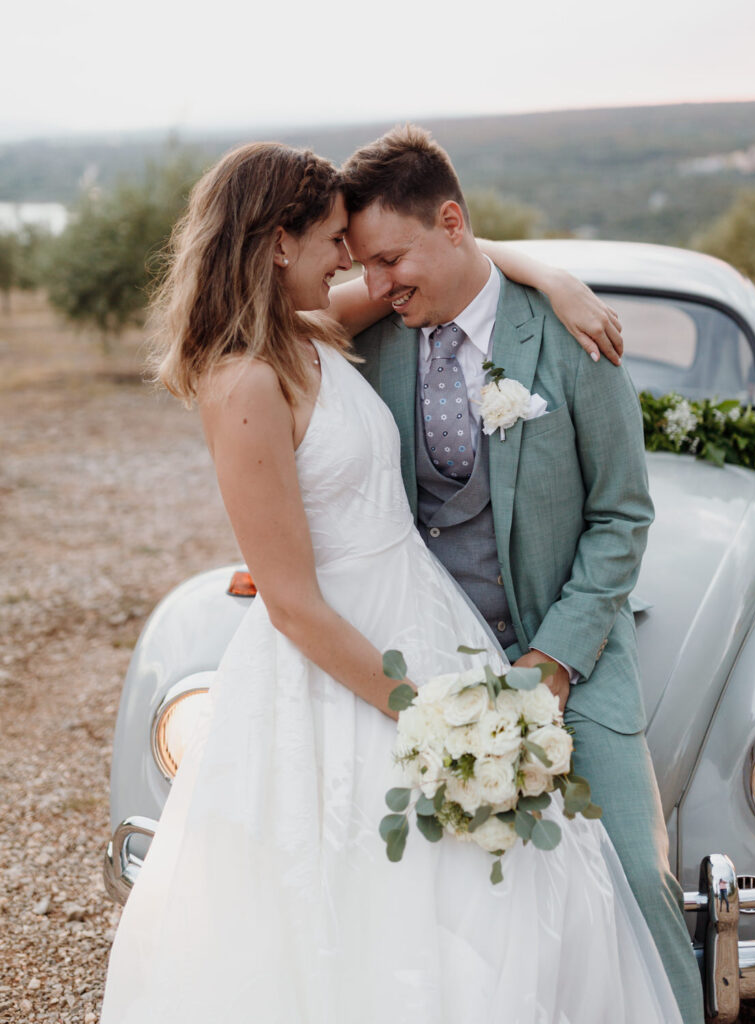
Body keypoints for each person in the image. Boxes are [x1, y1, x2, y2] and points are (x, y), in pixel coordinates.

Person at [100, 140, 684, 1023]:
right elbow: (290, 601)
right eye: (340, 244)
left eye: (369, 250)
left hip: (497, 638)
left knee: (607, 881)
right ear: (276, 245)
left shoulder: (316, 331)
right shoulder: (271, 364)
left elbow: (618, 512)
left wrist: (551, 279)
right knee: (376, 907)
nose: (357, 267)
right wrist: (435, 719)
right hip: (370, 664)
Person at [341, 125, 704, 1024]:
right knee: (421, 899)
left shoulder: (571, 336)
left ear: (452, 223)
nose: (376, 285)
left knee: (629, 871)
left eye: (388, 260)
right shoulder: (373, 339)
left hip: (569, 655)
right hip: (426, 663)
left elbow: (623, 516)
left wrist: (551, 660)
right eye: (363, 267)